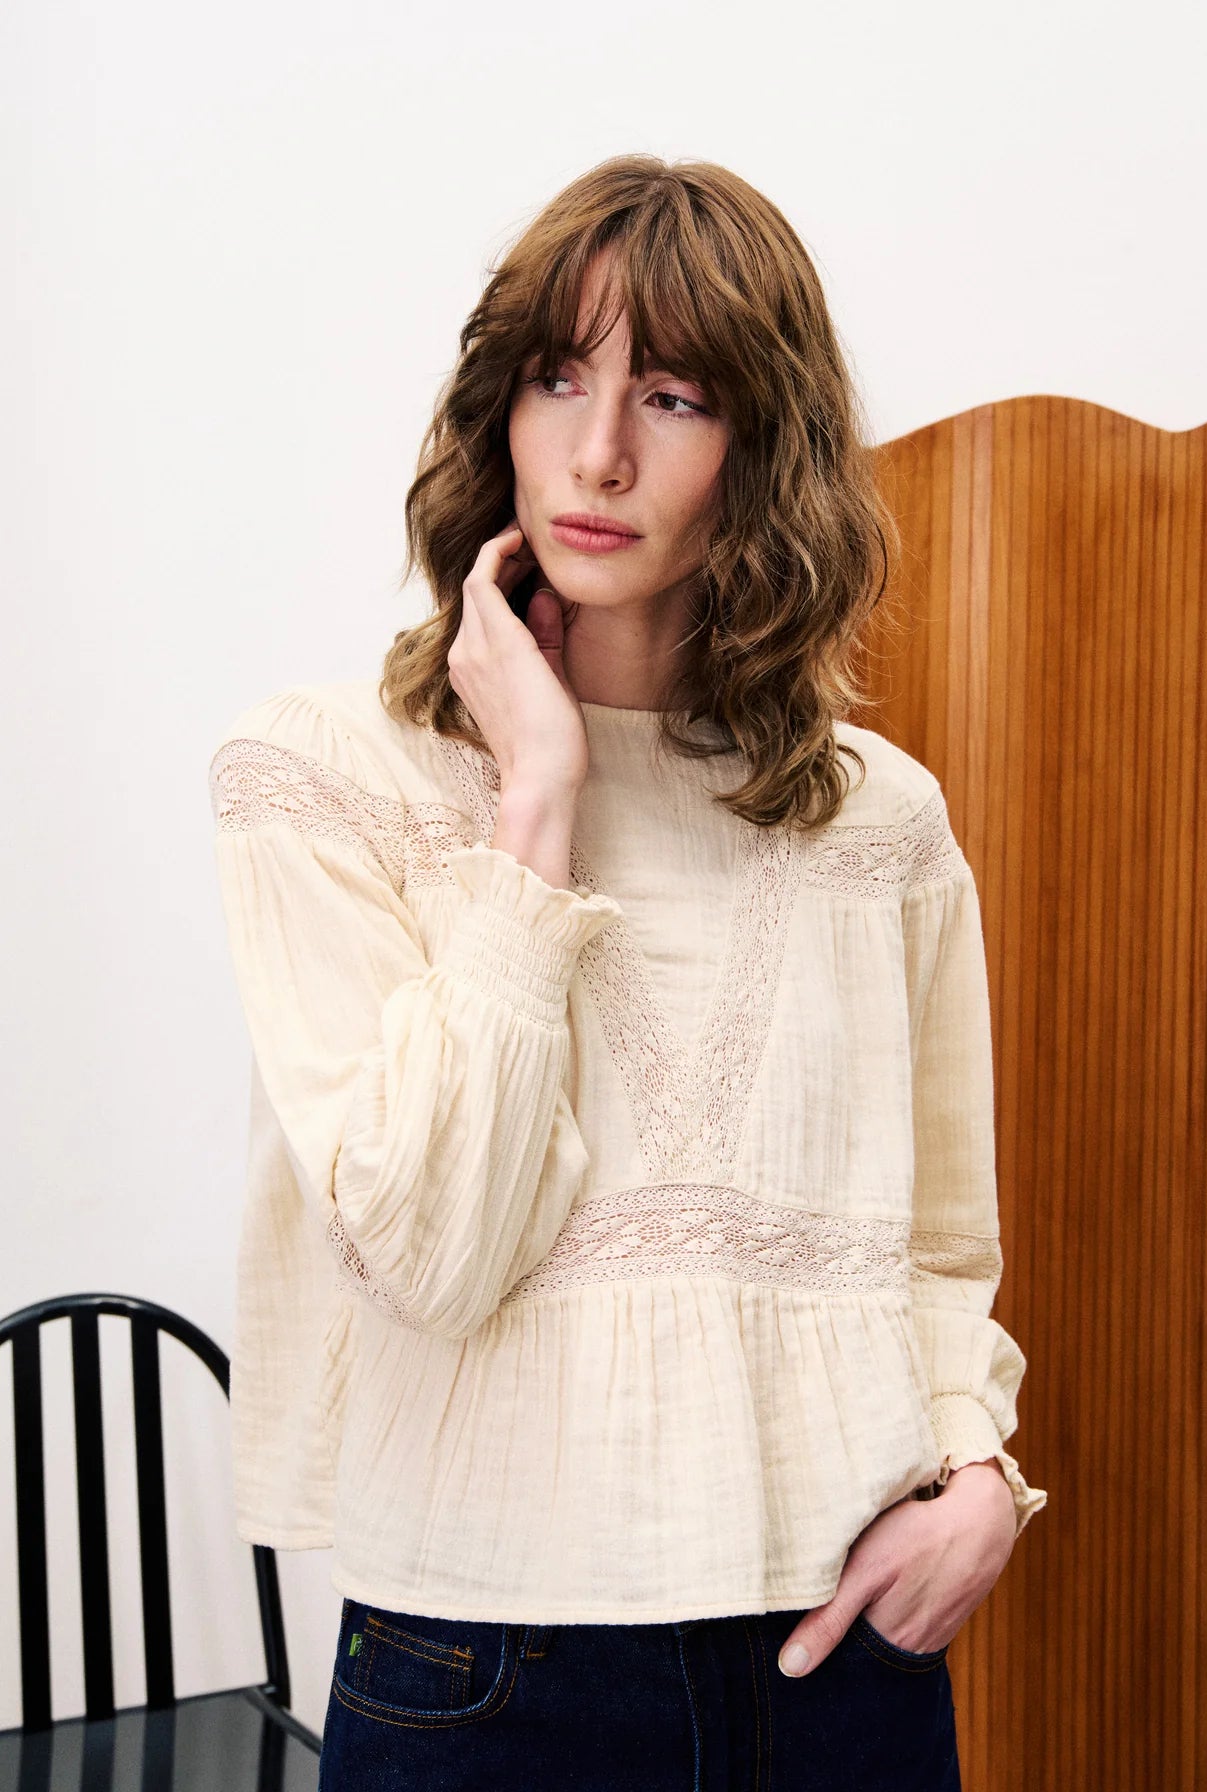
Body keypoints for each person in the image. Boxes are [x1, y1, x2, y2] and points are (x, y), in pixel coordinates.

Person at [207, 153, 1047, 1791]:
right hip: (486, 1673)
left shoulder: (882, 819)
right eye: (557, 378)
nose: (599, 452)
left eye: (672, 394)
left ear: (763, 447)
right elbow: (432, 1248)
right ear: (496, 412)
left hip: (841, 1657)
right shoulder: (315, 776)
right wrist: (536, 796)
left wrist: (981, 1482)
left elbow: (942, 1242)